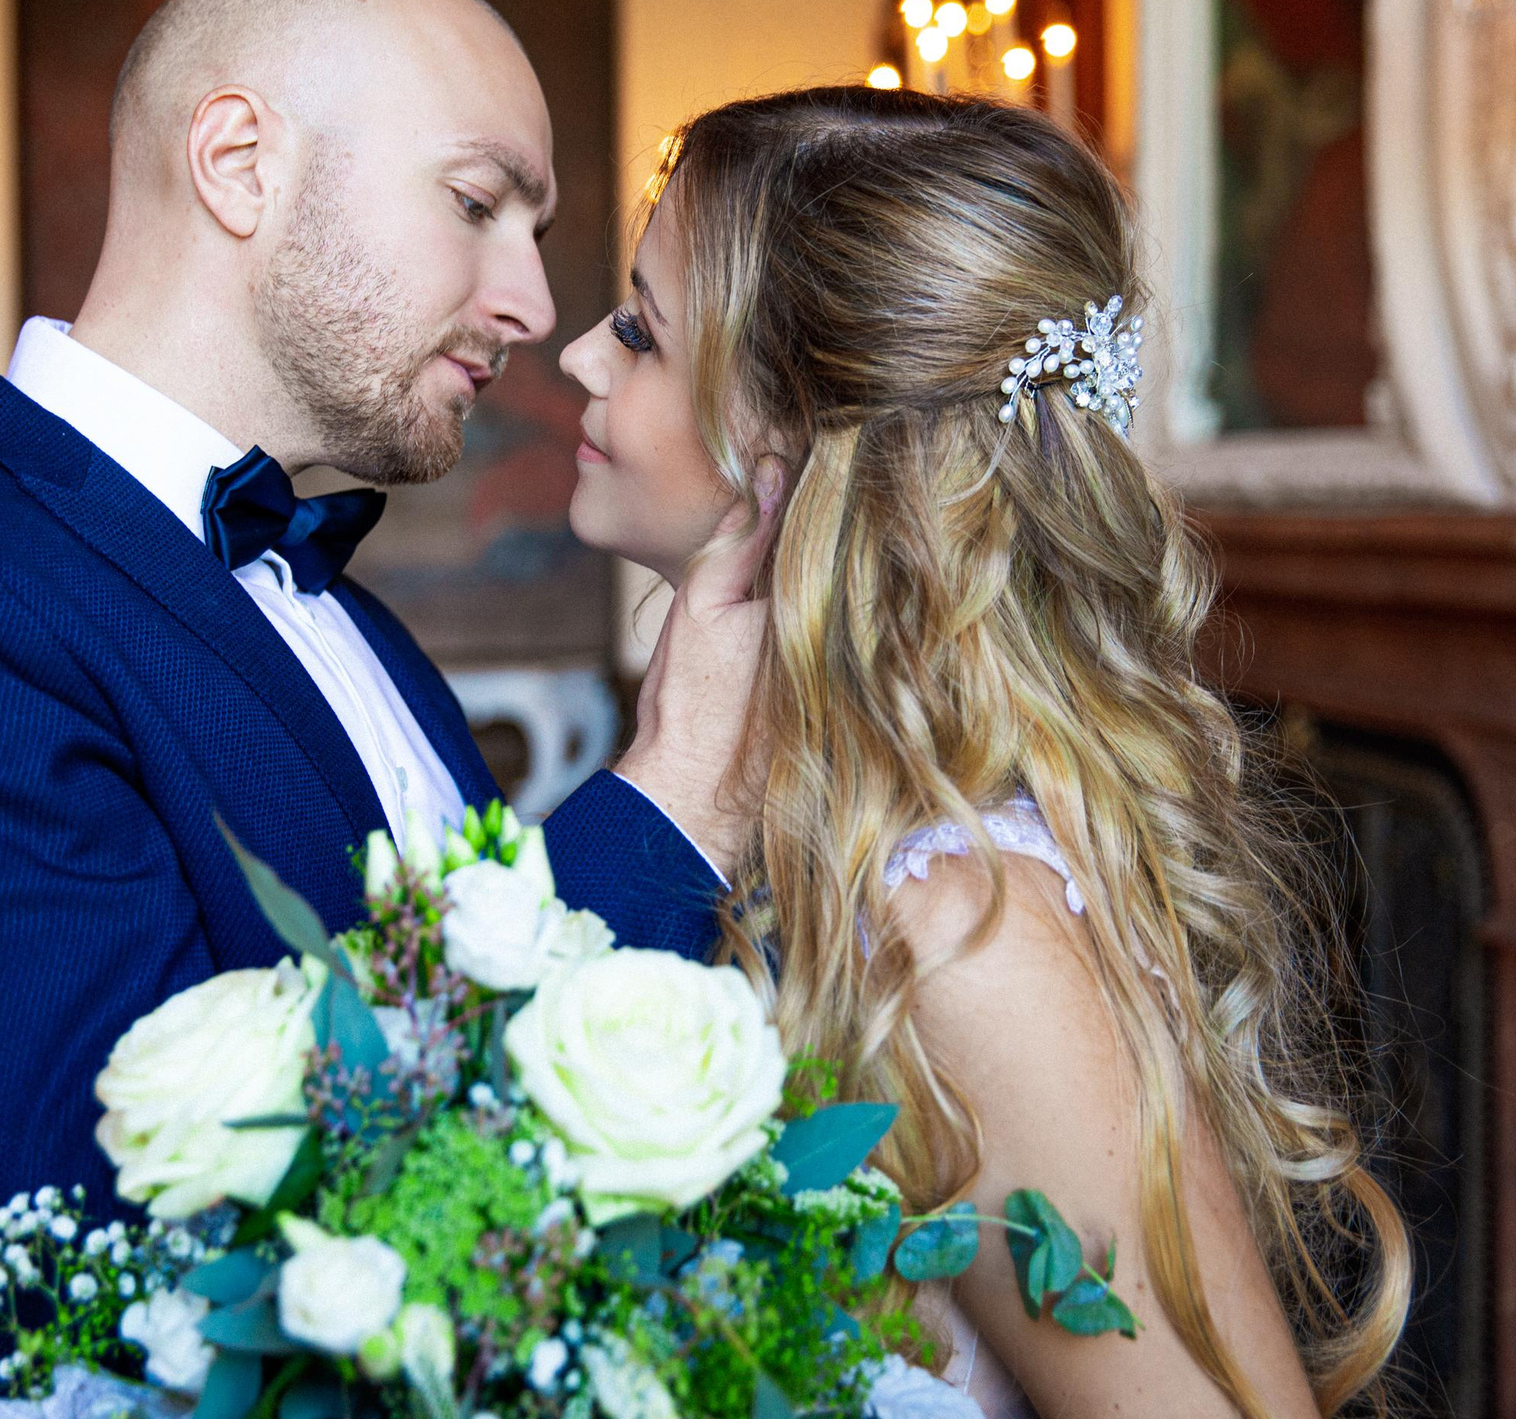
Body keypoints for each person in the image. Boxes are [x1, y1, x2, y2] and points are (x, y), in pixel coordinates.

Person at [0, 0, 763, 1418]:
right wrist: (669, 802)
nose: (530, 303)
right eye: (477, 205)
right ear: (240, 164)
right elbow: (130, 1261)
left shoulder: (356, 628)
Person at [559, 86, 1410, 1419]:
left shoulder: (962, 927)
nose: (578, 359)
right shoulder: (796, 821)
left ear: (794, 447)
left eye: (640, 330)